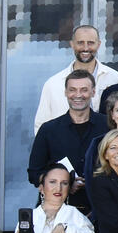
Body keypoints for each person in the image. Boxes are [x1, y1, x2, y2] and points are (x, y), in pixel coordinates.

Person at [29, 69, 108, 202]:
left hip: (101, 205)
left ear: (93, 92)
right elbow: (34, 173)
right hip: (59, 206)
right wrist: (65, 183)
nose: (78, 95)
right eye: (72, 90)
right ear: (65, 92)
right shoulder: (48, 129)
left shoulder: (108, 126)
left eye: (84, 90)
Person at [32, 23, 118, 134]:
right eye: (80, 43)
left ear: (99, 45)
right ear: (72, 44)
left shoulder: (116, 79)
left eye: (90, 43)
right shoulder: (53, 84)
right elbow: (41, 125)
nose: (85, 48)